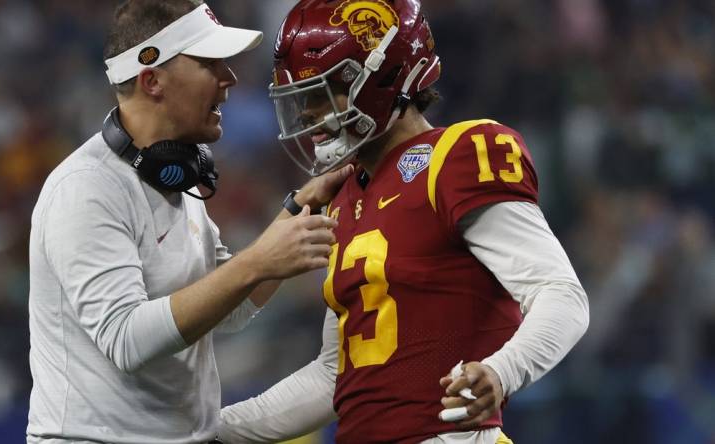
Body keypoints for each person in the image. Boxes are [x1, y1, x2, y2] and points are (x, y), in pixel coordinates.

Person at [218, 0, 589, 443]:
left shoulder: (460, 154)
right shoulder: (343, 196)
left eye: (323, 92)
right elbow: (337, 376)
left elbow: (561, 295)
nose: (307, 114)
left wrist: (500, 372)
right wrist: (211, 432)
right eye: (302, 97)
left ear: (385, 76)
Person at [26, 1, 352, 443]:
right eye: (208, 63)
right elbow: (126, 340)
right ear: (152, 79)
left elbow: (230, 306)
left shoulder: (176, 181)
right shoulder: (86, 188)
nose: (229, 79)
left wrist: (297, 211)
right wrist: (258, 261)